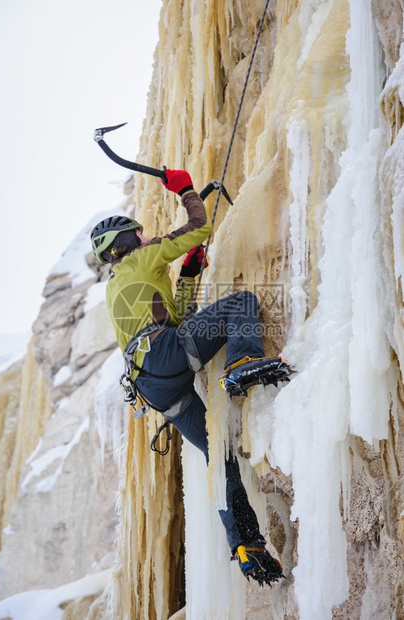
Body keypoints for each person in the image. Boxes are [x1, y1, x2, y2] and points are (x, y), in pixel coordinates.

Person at [90, 169, 292, 585]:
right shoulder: (140, 258)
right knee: (242, 303)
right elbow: (200, 227)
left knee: (219, 455)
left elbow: (177, 320)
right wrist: (184, 189)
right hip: (164, 357)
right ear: (126, 244)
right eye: (139, 235)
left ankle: (246, 546)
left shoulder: (119, 284)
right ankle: (241, 365)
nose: (148, 239)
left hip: (155, 387)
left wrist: (187, 274)